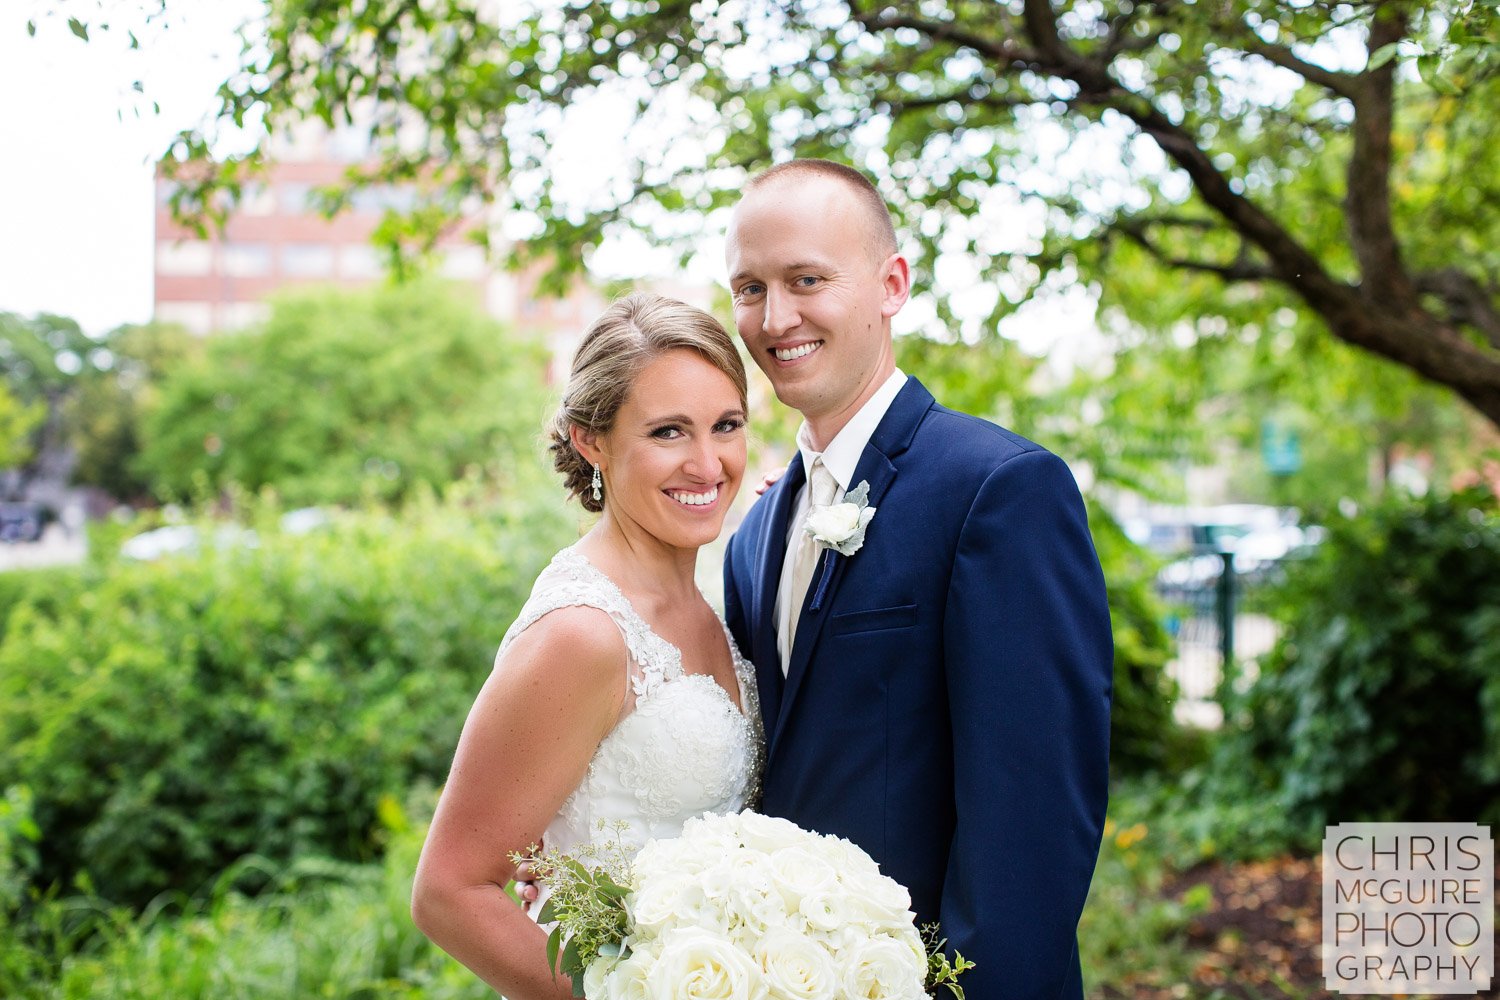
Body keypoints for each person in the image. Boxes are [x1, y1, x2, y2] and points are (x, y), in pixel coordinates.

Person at [720, 160, 1113, 999]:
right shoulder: (752, 537)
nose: (775, 316)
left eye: (807, 280)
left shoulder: (998, 489)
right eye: (749, 288)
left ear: (892, 283)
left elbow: (1033, 821)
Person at [411, 293, 763, 999]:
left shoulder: (709, 603)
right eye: (668, 432)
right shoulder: (584, 632)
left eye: (726, 425)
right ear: (589, 440)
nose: (707, 462)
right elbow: (450, 891)